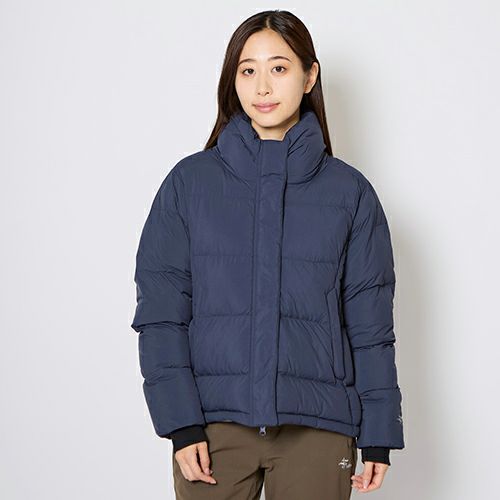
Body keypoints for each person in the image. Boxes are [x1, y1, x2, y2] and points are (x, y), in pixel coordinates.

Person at [130, 9, 405, 500]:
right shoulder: (189, 184)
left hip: (319, 426)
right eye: (247, 70)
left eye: (279, 68)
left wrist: (379, 433)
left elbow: (371, 328)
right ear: (231, 79)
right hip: (213, 428)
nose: (262, 87)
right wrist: (181, 424)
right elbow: (161, 316)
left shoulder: (350, 193)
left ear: (309, 76)